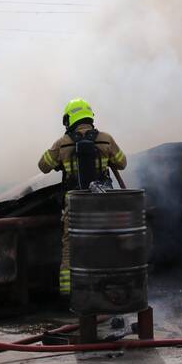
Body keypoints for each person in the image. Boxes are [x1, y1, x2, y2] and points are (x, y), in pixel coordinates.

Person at [38, 98, 128, 298]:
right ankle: (108, 292)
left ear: (69, 119)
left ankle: (69, 295)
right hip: (102, 204)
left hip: (75, 204)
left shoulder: (62, 144)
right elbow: (122, 163)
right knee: (106, 244)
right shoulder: (106, 139)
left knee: (71, 248)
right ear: (89, 116)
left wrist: (61, 158)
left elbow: (43, 165)